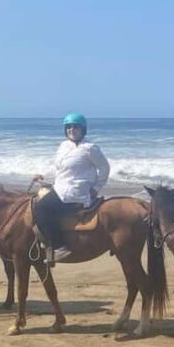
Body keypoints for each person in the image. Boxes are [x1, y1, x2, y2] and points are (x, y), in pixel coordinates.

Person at [32, 113, 110, 263]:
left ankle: (59, 247)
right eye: (68, 127)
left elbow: (105, 168)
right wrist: (42, 175)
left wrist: (96, 188)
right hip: (60, 187)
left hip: (76, 191)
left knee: (41, 207)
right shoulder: (63, 146)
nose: (71, 129)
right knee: (33, 200)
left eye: (75, 126)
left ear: (83, 129)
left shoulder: (90, 148)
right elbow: (58, 168)